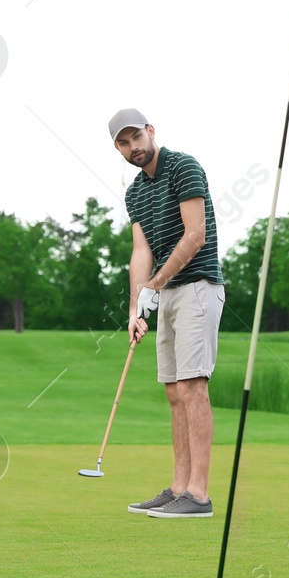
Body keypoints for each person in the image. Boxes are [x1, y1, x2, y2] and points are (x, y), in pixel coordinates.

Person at [108, 108, 226, 519]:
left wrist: (154, 286)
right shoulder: (135, 193)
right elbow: (141, 251)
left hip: (197, 287)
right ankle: (179, 487)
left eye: (136, 137)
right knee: (174, 392)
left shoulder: (183, 166)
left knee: (193, 385)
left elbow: (196, 234)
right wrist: (134, 307)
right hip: (168, 292)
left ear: (151, 131)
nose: (132, 147)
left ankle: (199, 494)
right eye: (122, 143)